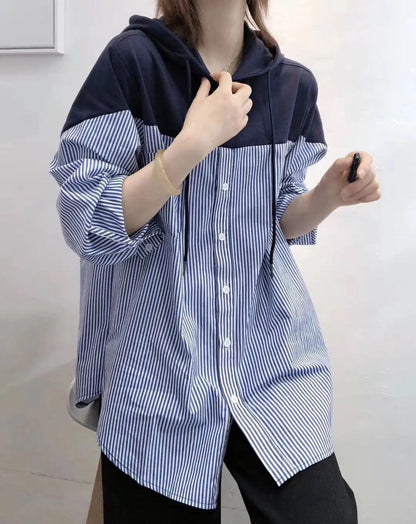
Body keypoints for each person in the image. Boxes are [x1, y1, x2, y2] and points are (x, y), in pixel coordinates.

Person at [49, 0, 381, 522]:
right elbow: (86, 222)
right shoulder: (133, 62)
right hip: (159, 374)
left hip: (271, 362)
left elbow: (279, 223)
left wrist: (328, 195)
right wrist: (192, 143)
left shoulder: (291, 85)